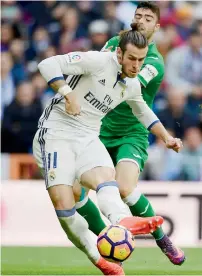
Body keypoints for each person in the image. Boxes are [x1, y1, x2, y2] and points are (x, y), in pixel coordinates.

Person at [33, 27, 182, 275]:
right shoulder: (98, 60)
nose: (136, 65)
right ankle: (101, 261)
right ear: (120, 53)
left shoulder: (132, 84)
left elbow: (142, 111)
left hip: (88, 137)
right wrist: (68, 94)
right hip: (55, 134)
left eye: (141, 60)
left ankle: (121, 220)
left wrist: (166, 137)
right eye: (131, 58)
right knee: (65, 207)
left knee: (106, 178)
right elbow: (48, 64)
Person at [75, 2, 185, 266]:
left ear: (157, 27)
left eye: (148, 18)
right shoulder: (114, 42)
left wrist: (165, 136)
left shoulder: (155, 62)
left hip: (130, 133)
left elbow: (129, 84)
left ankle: (161, 237)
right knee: (75, 194)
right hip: (98, 129)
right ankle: (109, 236)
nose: (142, 20)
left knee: (123, 188)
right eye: (138, 15)